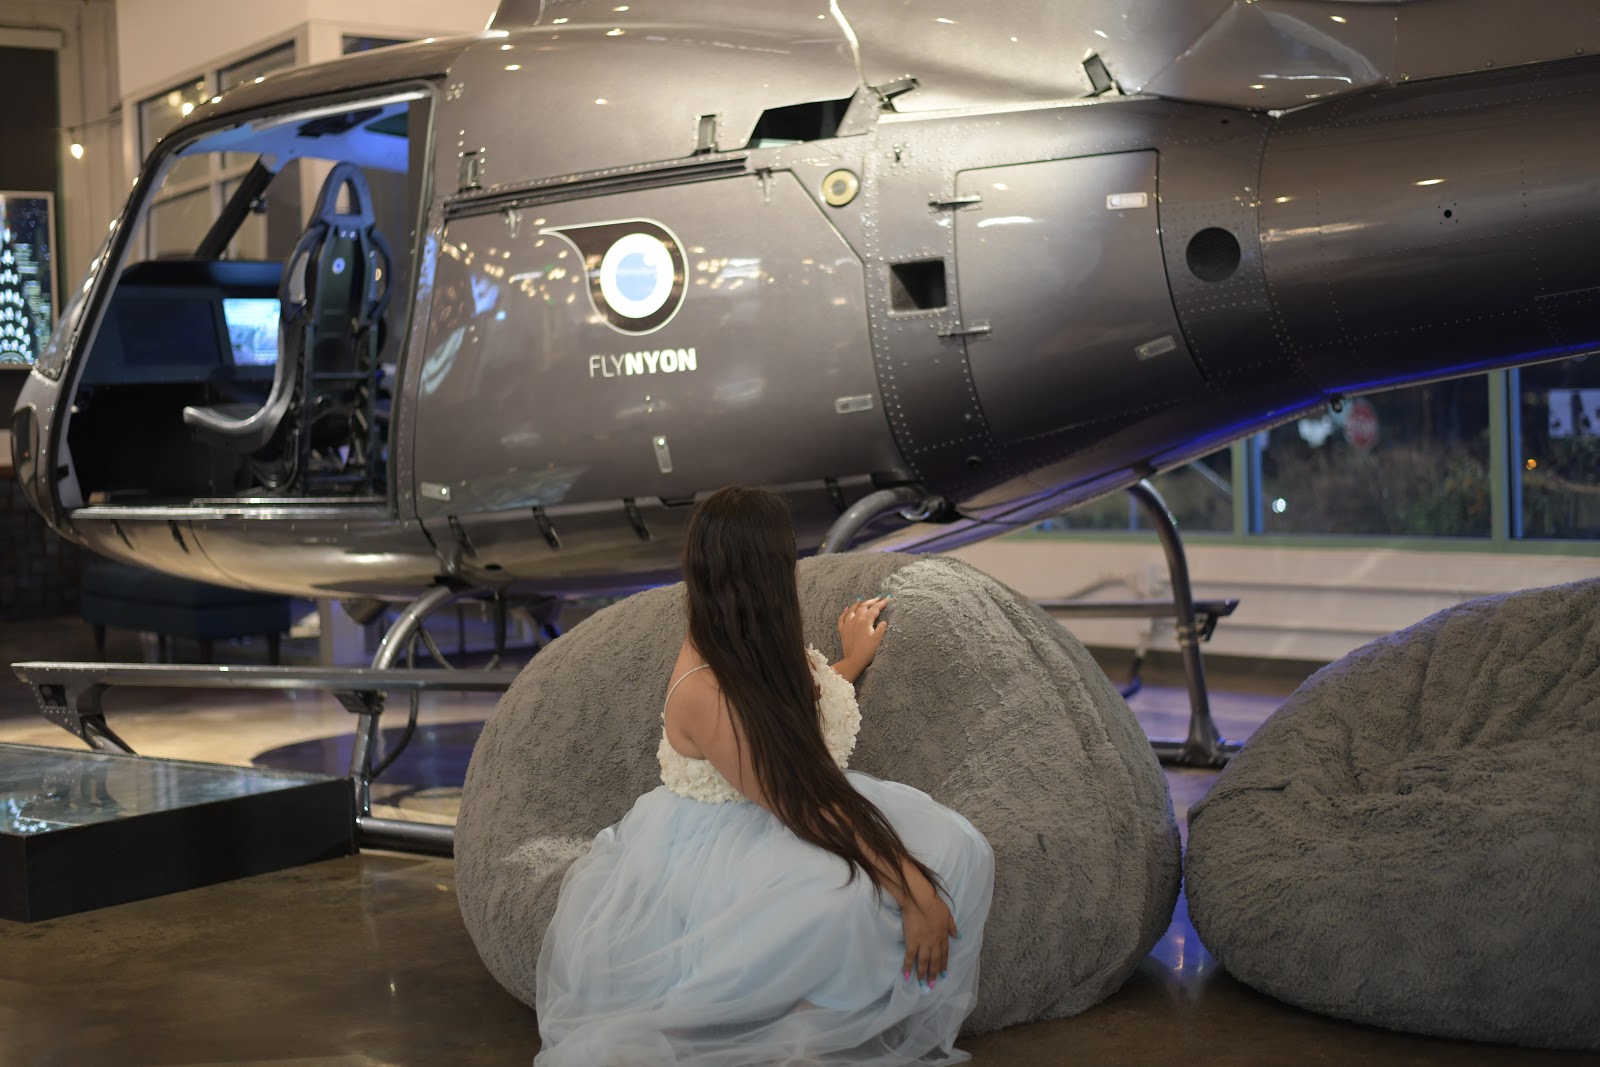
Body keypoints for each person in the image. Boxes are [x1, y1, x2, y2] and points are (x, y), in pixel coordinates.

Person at [534, 486, 995, 1066]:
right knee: (840, 898)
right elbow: (801, 803)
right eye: (788, 556)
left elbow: (788, 708)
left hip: (791, 802)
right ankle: (805, 1037)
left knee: (957, 846)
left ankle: (840, 1017)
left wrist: (850, 660)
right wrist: (913, 891)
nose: (796, 569)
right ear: (765, 573)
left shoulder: (748, 635)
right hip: (736, 835)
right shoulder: (705, 689)